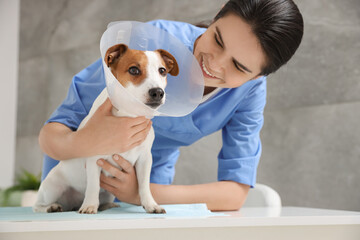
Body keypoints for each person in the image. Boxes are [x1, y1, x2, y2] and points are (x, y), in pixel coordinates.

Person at [39, 0, 304, 211]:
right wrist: (91, 140)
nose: (214, 64)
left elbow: (234, 193)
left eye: (238, 66)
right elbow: (51, 136)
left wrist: (140, 193)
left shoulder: (249, 92)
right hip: (76, 179)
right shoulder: (148, 44)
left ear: (257, 76)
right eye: (218, 40)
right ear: (219, 12)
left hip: (150, 186)